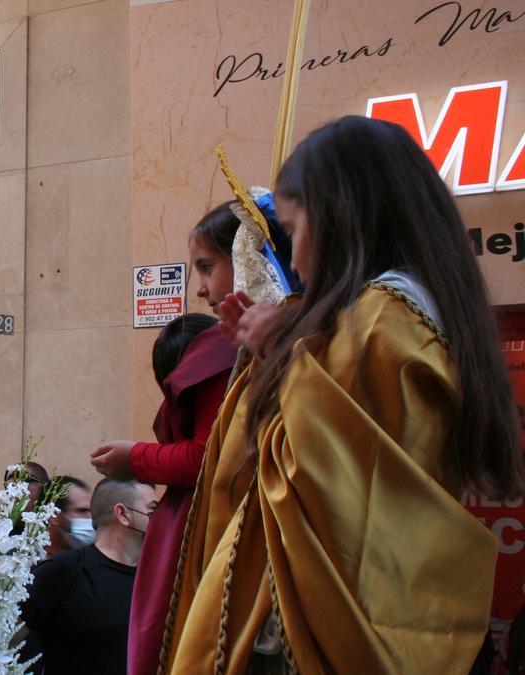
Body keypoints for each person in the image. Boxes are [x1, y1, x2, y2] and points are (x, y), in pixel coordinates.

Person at [164, 116, 525, 673]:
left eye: (294, 228)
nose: (296, 257)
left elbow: (318, 473)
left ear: (340, 218)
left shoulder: (381, 318)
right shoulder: (415, 308)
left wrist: (277, 359)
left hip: (348, 624)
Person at [90, 312, 235, 675]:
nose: (201, 288)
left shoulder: (220, 353)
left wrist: (136, 457)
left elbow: (205, 455)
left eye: (206, 266)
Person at [22, 478, 159, 674]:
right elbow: (5, 639)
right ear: (122, 514)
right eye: (153, 511)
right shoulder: (62, 571)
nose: (161, 520)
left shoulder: (157, 578)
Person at [44, 475, 92, 558]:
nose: (90, 519)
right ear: (54, 515)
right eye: (82, 511)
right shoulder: (25, 559)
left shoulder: (90, 560)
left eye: (91, 511)